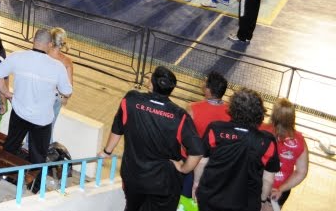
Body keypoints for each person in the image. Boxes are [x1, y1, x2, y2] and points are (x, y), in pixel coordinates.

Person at [99, 66, 204, 211]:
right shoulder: (179, 116)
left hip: (133, 176)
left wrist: (107, 152)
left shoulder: (130, 100)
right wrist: (183, 169)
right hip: (163, 182)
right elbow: (197, 151)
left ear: (151, 83)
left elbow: (118, 128)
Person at [0, 28, 72, 190]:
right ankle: (35, 188)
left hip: (19, 113)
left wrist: (6, 93)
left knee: (10, 147)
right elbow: (67, 91)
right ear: (49, 44)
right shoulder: (57, 67)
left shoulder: (18, 57)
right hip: (42, 120)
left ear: (33, 41)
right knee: (38, 155)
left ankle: (0, 177)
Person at [193, 89, 280, 211]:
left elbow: (202, 161)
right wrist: (261, 200)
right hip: (246, 204)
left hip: (211, 198)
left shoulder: (216, 129)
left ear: (233, 108)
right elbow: (268, 179)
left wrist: (196, 184)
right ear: (259, 113)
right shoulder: (267, 142)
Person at [183, 71, 229, 197]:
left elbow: (184, 136)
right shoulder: (232, 111)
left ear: (208, 90)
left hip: (194, 162)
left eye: (205, 83)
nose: (202, 84)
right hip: (217, 164)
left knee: (187, 196)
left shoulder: (193, 108)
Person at [260, 99, 309, 209]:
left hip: (257, 185)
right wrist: (280, 189)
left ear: (273, 115)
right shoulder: (300, 141)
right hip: (280, 191)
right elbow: (301, 172)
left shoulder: (261, 130)